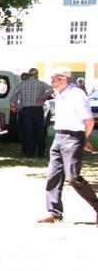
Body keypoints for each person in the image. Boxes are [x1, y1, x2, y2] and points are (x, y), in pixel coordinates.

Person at [38, 67, 98, 224]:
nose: (50, 82)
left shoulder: (77, 94)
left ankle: (97, 207)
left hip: (73, 137)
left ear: (63, 79)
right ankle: (54, 212)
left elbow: (89, 120)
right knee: (53, 176)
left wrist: (83, 139)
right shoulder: (60, 93)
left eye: (53, 79)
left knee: (73, 177)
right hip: (59, 136)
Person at [9, 68, 53, 157]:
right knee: (40, 130)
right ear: (36, 74)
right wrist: (44, 96)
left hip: (25, 110)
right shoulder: (41, 83)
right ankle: (41, 152)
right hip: (37, 109)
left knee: (28, 131)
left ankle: (29, 152)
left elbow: (13, 96)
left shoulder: (21, 84)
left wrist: (17, 105)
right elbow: (51, 89)